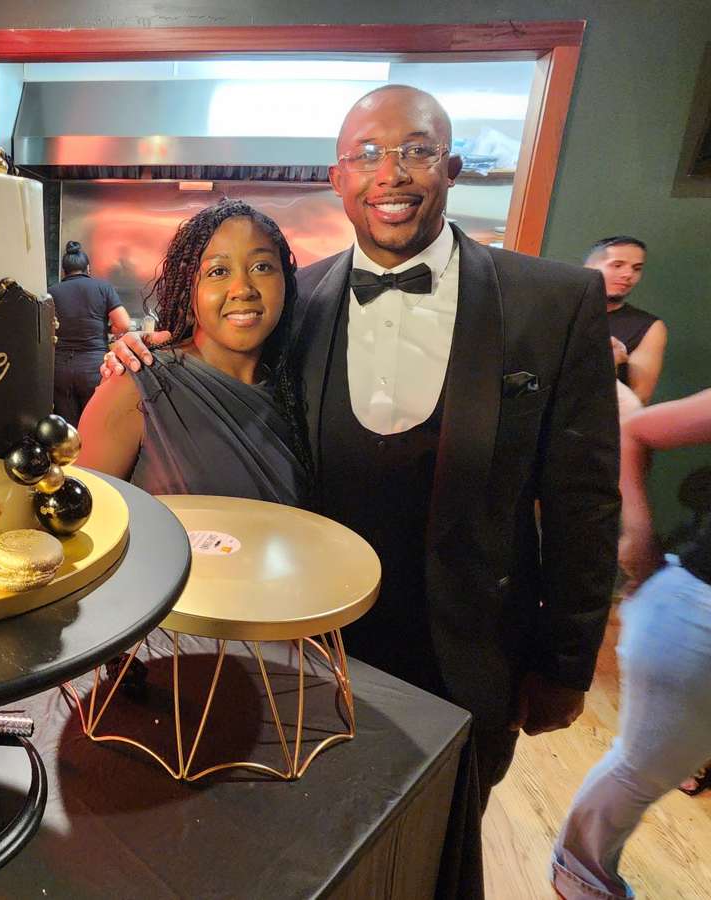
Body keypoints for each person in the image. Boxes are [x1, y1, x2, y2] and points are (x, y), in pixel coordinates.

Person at [105, 85, 620, 895]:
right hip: (316, 648)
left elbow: (585, 500)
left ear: (452, 167)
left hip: (472, 652)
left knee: (433, 854)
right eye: (369, 155)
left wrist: (567, 662)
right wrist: (138, 352)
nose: (392, 173)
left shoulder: (553, 301)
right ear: (338, 178)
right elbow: (213, 359)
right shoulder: (297, 300)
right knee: (309, 848)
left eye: (416, 151)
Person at [552, 389, 711, 900]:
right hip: (694, 612)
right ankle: (579, 876)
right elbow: (636, 430)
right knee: (643, 767)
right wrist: (638, 537)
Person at [77, 199, 308, 506]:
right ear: (189, 290)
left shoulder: (295, 389)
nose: (243, 289)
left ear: (286, 281)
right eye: (218, 271)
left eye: (262, 267)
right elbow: (81, 519)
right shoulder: (136, 385)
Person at [50, 240, 131, 426]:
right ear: (88, 269)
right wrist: (106, 329)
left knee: (68, 428)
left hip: (60, 369)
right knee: (94, 425)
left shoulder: (51, 292)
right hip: (94, 367)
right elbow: (124, 324)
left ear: (63, 271)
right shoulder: (103, 288)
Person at [585, 236, 667, 404]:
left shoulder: (648, 327)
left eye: (636, 268)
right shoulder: (560, 310)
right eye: (617, 265)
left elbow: (639, 399)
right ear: (590, 267)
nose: (628, 274)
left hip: (599, 416)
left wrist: (609, 364)